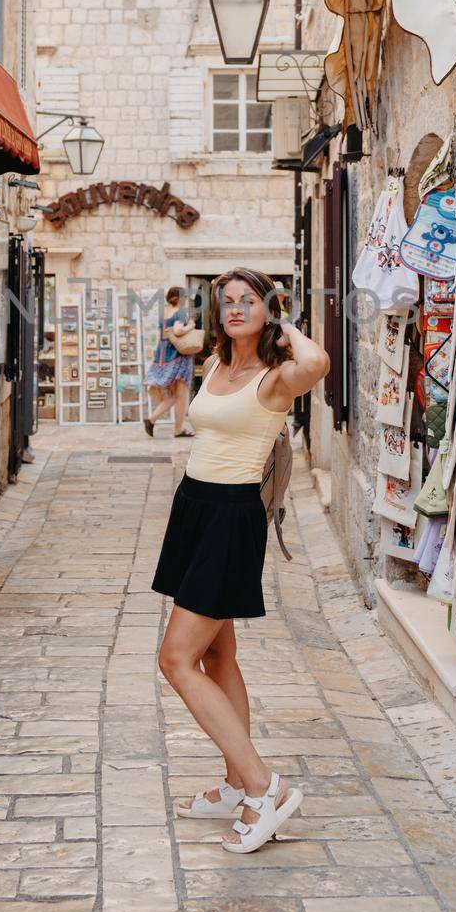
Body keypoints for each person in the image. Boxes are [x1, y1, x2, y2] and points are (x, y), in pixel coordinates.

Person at [151, 268, 329, 853]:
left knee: (176, 659)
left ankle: (262, 785)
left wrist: (285, 323)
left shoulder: (277, 378)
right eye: (225, 301)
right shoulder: (215, 366)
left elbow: (319, 363)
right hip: (194, 508)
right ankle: (235, 783)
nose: (233, 309)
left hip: (230, 518)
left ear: (266, 307)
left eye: (246, 301)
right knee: (218, 652)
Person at [143, 285, 195, 439]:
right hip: (178, 356)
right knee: (182, 394)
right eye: (184, 297)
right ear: (179, 298)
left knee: (173, 395)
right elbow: (178, 331)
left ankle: (152, 420)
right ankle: (177, 429)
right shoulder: (180, 313)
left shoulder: (165, 313)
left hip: (163, 355)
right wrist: (191, 326)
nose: (185, 300)